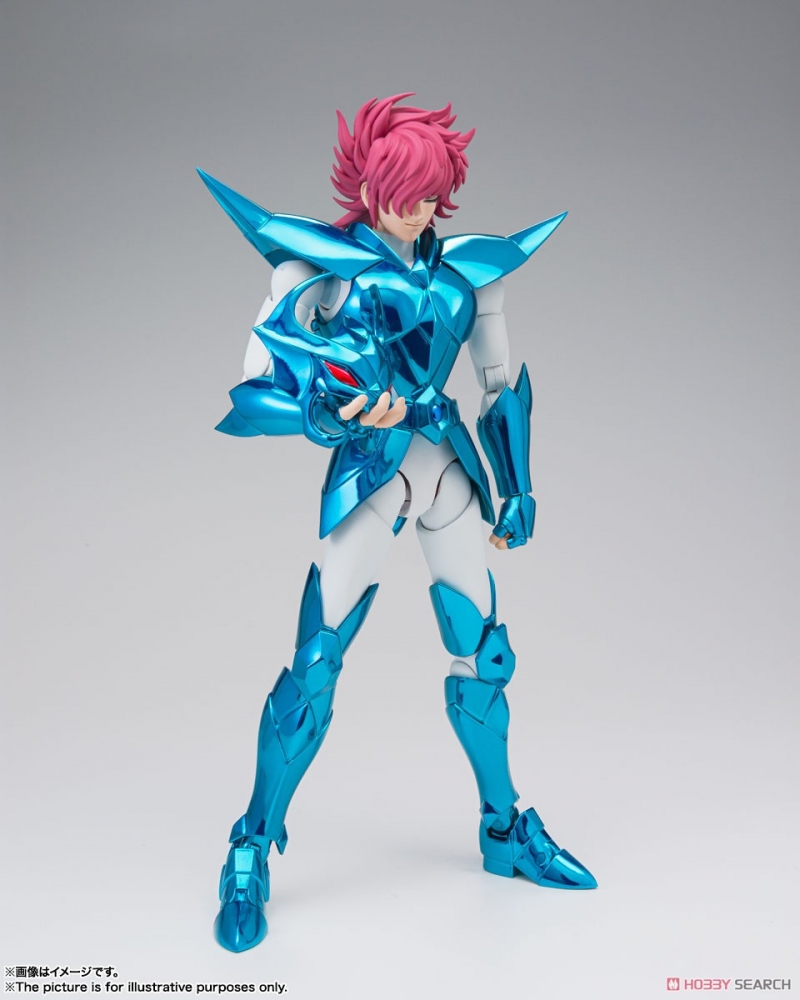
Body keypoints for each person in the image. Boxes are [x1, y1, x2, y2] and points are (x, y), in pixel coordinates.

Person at [199, 93, 596, 954]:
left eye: (430, 196)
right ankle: (251, 843)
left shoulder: (469, 276)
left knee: (485, 655)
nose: (417, 211)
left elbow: (499, 385)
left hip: (444, 464)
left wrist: (518, 487)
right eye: (402, 195)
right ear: (369, 186)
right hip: (371, 470)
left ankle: (503, 828)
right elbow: (256, 388)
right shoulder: (318, 270)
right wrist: (327, 413)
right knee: (315, 663)